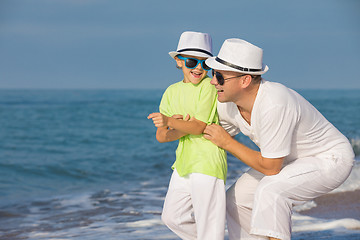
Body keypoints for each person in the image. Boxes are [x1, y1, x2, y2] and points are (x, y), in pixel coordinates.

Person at [203, 38, 354, 240]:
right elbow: (209, 133)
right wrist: (174, 123)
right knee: (235, 200)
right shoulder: (227, 104)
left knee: (272, 191)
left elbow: (271, 167)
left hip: (330, 158)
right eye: (213, 74)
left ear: (245, 80)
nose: (213, 81)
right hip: (288, 160)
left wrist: (228, 143)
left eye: (220, 76)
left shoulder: (275, 103)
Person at [147, 31, 227, 240]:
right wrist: (170, 126)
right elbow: (162, 137)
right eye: (192, 61)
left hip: (208, 162)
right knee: (172, 217)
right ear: (178, 61)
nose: (199, 68)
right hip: (183, 164)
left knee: (208, 224)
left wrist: (171, 122)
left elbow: (200, 127)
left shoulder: (209, 88)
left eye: (205, 63)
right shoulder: (171, 92)